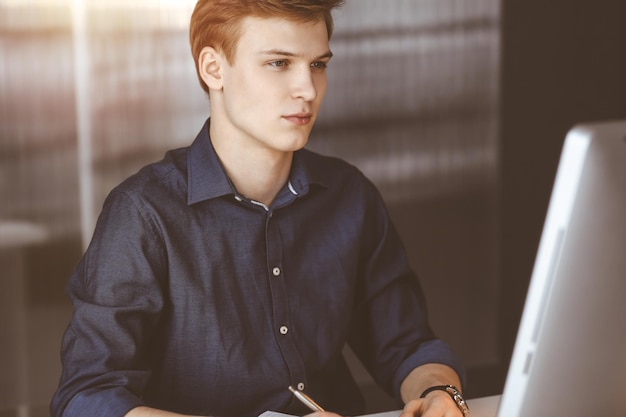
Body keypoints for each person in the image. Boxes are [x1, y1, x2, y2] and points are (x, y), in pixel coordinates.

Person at [50, 1, 468, 417]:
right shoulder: (143, 213)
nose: (307, 89)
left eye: (318, 65)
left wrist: (441, 393)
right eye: (279, 63)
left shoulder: (350, 196)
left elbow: (407, 344)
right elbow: (87, 396)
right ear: (213, 69)